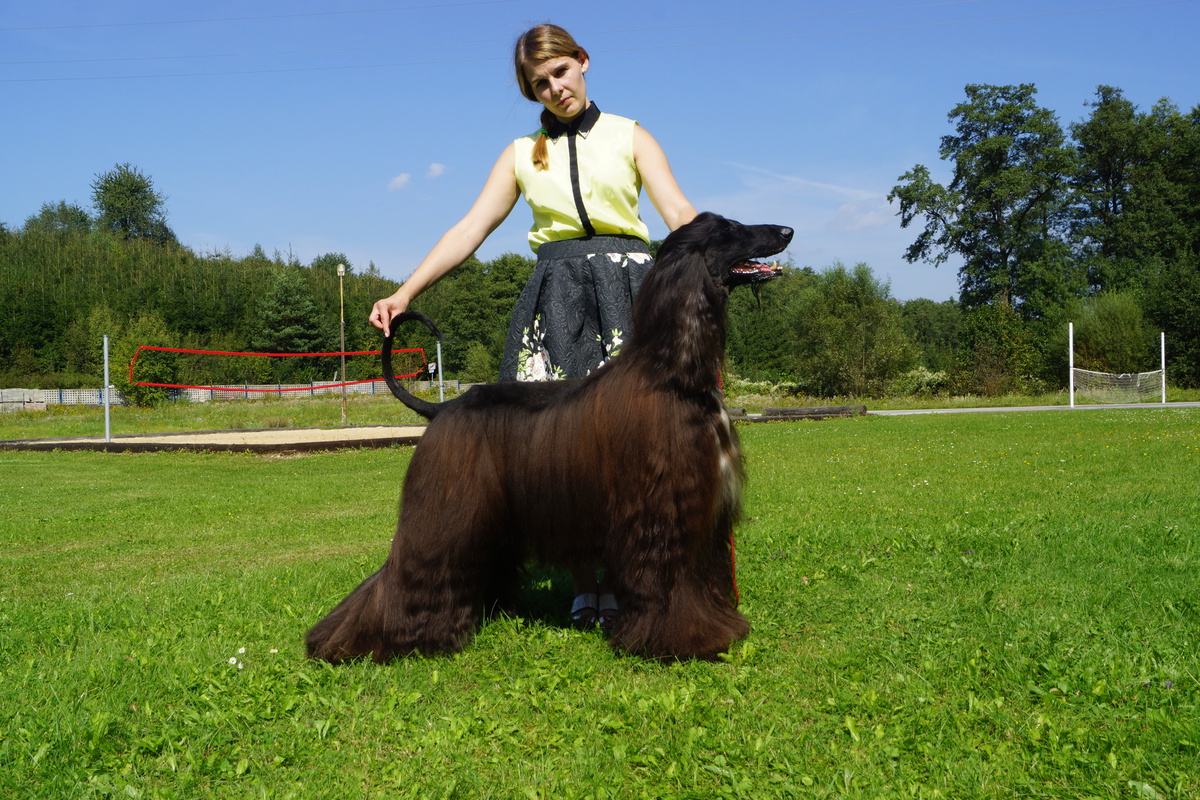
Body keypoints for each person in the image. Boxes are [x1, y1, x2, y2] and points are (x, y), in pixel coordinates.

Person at [369, 23, 697, 628]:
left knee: (629, 445)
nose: (555, 89)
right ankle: (583, 584)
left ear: (583, 61)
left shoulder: (631, 136)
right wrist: (405, 289)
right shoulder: (521, 154)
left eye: (562, 73)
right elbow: (470, 229)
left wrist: (720, 246)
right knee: (557, 450)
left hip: (629, 292)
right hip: (556, 297)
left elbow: (677, 211)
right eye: (540, 83)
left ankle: (630, 578)